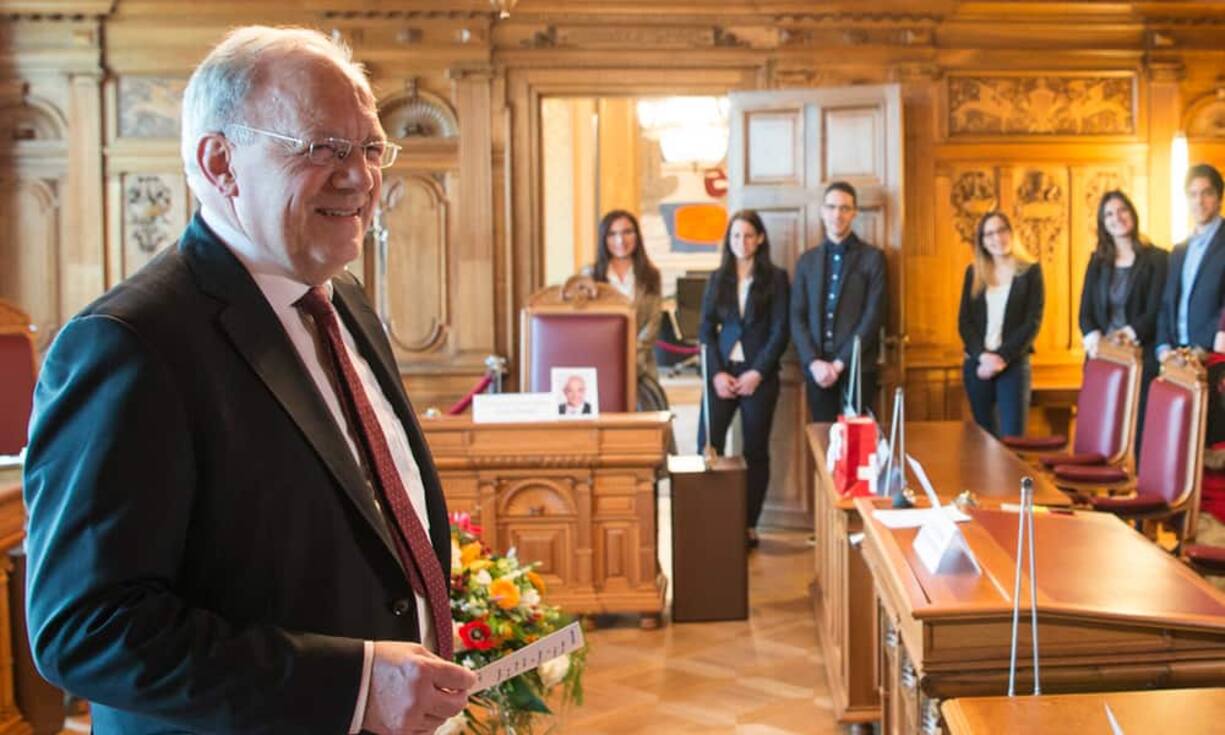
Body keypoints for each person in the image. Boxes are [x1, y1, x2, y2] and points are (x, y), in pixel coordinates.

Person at [22, 26, 475, 735]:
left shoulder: (344, 300)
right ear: (220, 161)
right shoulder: (129, 344)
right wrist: (353, 686)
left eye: (369, 148)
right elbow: (86, 627)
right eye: (324, 148)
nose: (359, 177)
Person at [696, 210, 790, 548]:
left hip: (757, 376)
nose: (742, 242)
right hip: (722, 373)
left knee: (755, 450)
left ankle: (749, 524)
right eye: (736, 236)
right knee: (708, 446)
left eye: (749, 236)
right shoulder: (717, 279)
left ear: (760, 238)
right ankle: (711, 519)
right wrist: (717, 373)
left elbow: (780, 331)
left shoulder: (776, 278)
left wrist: (758, 372)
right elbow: (705, 330)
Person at [1078, 190, 1168, 448]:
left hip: (1140, 355)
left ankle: (1141, 483)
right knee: (1100, 433)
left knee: (1141, 432)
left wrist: (1124, 336)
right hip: (1102, 357)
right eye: (1109, 214)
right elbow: (1085, 314)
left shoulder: (1157, 258)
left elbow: (1155, 310)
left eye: (1122, 210)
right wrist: (1096, 340)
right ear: (1103, 223)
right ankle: (1094, 484)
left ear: (1132, 213)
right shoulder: (1097, 261)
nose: (1116, 217)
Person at [791, 181, 887, 421]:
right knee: (824, 442)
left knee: (856, 445)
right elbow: (797, 316)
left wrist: (840, 364)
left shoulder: (873, 258)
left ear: (854, 213)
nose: (837, 214)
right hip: (817, 370)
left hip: (857, 367)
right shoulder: (807, 261)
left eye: (845, 208)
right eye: (832, 207)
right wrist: (814, 362)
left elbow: (873, 316)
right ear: (822, 211)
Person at [958, 211, 1045, 438]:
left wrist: (1001, 357)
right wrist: (983, 356)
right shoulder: (974, 273)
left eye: (1001, 230)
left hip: (1014, 364)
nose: (997, 238)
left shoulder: (1030, 272)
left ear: (1011, 233)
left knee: (1013, 441)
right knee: (984, 440)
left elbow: (1032, 322)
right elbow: (964, 322)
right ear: (982, 242)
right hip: (978, 365)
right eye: (989, 234)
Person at [589, 210, 668, 411]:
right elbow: (586, 326)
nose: (620, 240)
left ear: (637, 236)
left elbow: (652, 324)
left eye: (627, 232)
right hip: (600, 366)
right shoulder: (590, 277)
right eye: (612, 234)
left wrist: (630, 363)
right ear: (603, 239)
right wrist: (611, 362)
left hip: (641, 366)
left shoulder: (651, 275)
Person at [1156, 163, 1225, 360]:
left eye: (1207, 193)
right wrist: (1163, 348)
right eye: (1192, 194)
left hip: (1213, 355)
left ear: (1219, 198)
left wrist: (1202, 345)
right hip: (1176, 356)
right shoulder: (1179, 251)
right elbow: (1166, 304)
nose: (1199, 201)